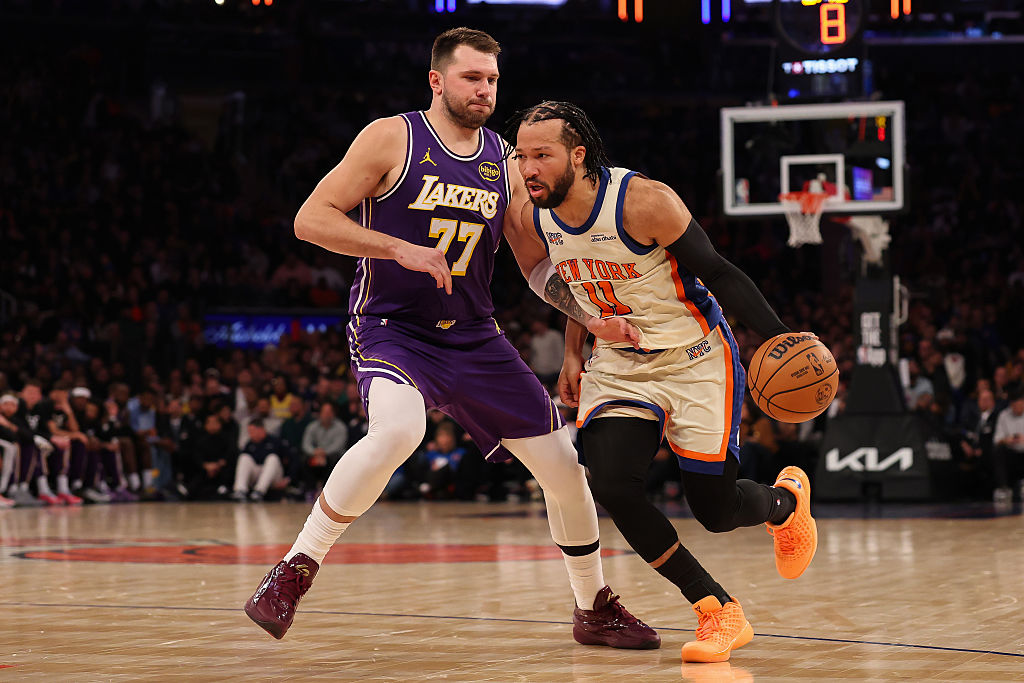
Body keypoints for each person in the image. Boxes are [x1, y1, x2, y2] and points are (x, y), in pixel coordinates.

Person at [244, 27, 657, 650]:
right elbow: (311, 219)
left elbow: (535, 265)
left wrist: (590, 317)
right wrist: (398, 249)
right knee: (399, 431)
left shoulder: (505, 161)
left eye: (492, 79)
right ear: (437, 80)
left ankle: (592, 606)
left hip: (473, 336)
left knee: (565, 468)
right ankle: (294, 569)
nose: (485, 89)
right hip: (393, 328)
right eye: (472, 77)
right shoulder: (392, 137)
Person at [507, 100, 819, 662]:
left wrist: (782, 337)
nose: (529, 168)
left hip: (695, 357)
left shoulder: (643, 201)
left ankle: (784, 505)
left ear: (577, 155)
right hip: (621, 363)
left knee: (715, 511)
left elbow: (718, 270)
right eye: (522, 156)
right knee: (612, 484)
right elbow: (566, 279)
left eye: (542, 155)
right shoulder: (533, 213)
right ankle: (716, 608)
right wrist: (575, 349)